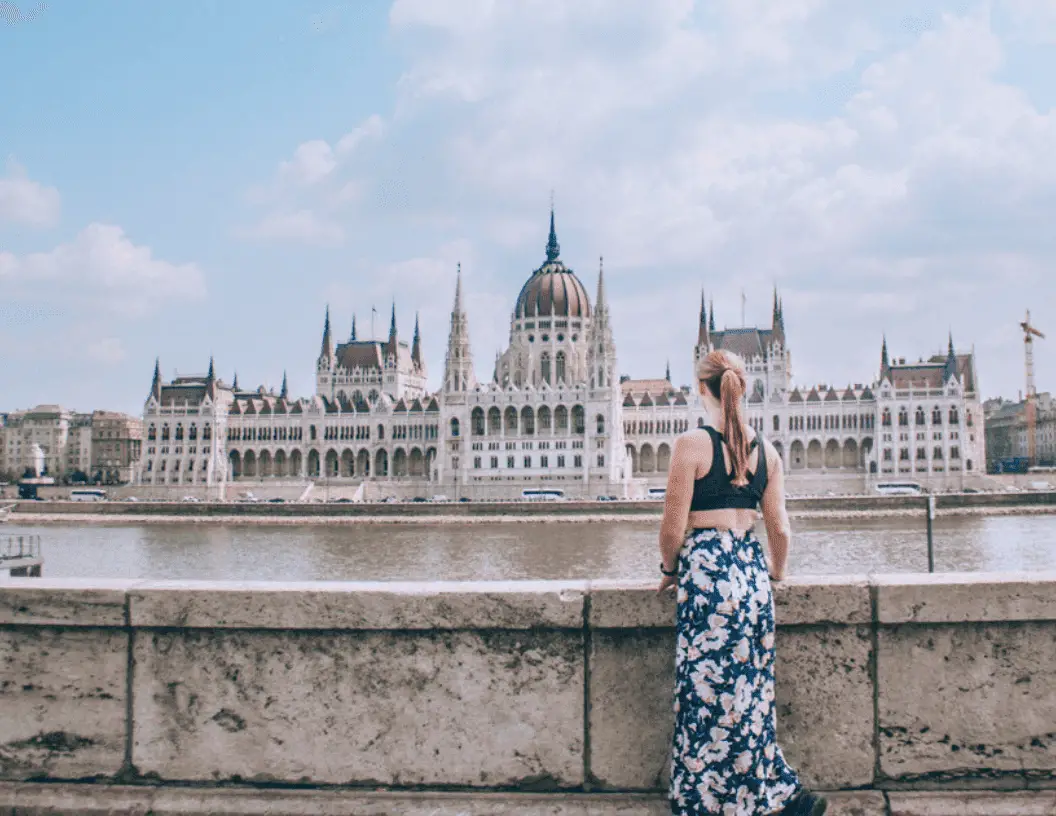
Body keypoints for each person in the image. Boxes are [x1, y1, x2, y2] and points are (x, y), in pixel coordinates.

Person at [657, 349, 826, 816]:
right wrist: (776, 573)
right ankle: (770, 796)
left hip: (707, 574)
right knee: (752, 696)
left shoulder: (691, 444)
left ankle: (704, 802)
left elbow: (672, 529)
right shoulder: (767, 451)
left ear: (701, 388)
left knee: (704, 694)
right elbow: (781, 530)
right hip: (750, 574)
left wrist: (669, 572)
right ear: (744, 388)